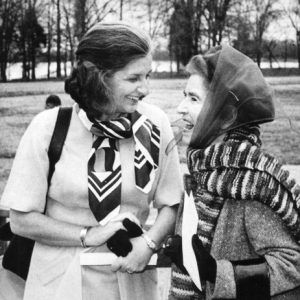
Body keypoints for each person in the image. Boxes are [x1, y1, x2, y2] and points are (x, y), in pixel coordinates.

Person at [0, 22, 182, 300]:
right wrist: (89, 234)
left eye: (148, 76)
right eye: (133, 79)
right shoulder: (48, 128)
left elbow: (170, 202)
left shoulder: (155, 125)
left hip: (131, 278)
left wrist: (149, 243)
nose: (145, 89)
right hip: (58, 282)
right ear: (99, 77)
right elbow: (21, 221)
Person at [164, 45, 300, 299]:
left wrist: (216, 273)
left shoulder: (251, 185)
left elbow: (292, 266)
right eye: (185, 96)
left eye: (193, 98)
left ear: (225, 116)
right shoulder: (205, 172)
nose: (181, 108)